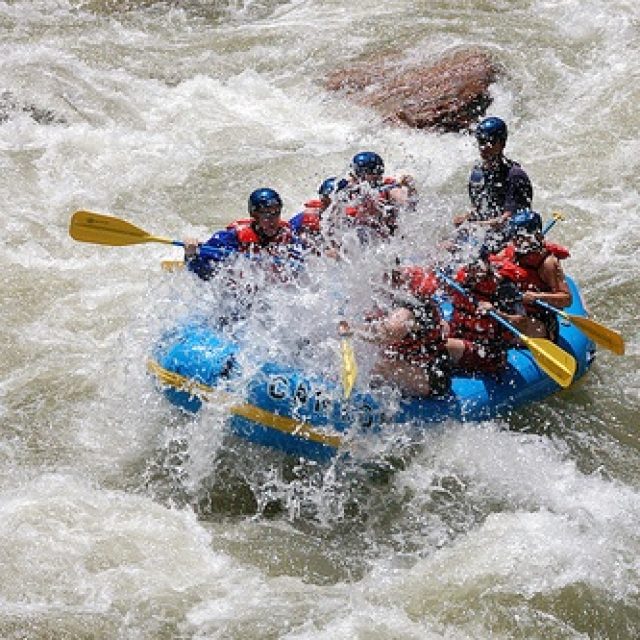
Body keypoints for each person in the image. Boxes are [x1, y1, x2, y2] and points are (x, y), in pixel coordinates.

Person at [339, 266, 450, 398]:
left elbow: (386, 333)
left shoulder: (406, 308)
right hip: (414, 361)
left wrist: (352, 330)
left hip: (429, 376)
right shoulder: (389, 295)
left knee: (376, 366)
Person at [452, 116, 533, 252]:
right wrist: (466, 218)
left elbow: (509, 220)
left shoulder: (515, 176)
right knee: (446, 245)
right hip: (486, 234)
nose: (484, 147)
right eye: (481, 141)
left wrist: (476, 226)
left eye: (489, 141)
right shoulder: (478, 173)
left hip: (511, 240)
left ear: (501, 143)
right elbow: (477, 209)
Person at [184, 187, 300, 281]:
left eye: (276, 213)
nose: (273, 220)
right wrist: (191, 255)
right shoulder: (231, 238)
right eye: (267, 215)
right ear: (255, 215)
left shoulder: (287, 235)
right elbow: (205, 274)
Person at [491, 210, 572, 339]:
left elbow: (567, 299)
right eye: (514, 236)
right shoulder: (512, 250)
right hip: (512, 309)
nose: (516, 241)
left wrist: (537, 296)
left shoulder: (548, 263)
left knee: (499, 326)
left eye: (520, 237)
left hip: (538, 321)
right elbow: (490, 266)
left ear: (536, 236)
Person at [444, 254, 522, 374]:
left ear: (487, 264)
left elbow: (521, 321)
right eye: (471, 267)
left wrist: (496, 312)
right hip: (459, 334)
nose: (475, 272)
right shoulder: (459, 279)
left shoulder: (501, 287)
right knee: (428, 330)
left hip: (487, 352)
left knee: (443, 345)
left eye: (479, 267)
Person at [331, 151, 416, 242]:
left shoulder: (389, 189)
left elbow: (409, 203)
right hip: (362, 235)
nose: (352, 176)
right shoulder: (352, 189)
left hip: (386, 238)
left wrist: (410, 188)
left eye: (356, 172)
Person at [288, 176, 343, 255]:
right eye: (325, 202)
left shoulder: (351, 216)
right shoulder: (309, 219)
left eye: (336, 203)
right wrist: (323, 252)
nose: (330, 208)